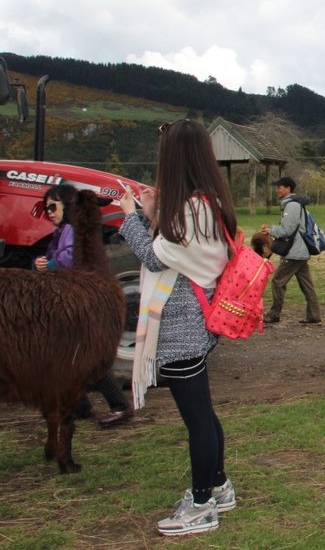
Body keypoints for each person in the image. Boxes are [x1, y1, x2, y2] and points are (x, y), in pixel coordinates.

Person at [118, 119, 237, 536]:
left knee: (198, 419)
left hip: (184, 324)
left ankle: (202, 505)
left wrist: (130, 216)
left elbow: (154, 257)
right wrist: (152, 213)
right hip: (195, 323)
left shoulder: (192, 209)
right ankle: (218, 486)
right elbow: (170, 251)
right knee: (202, 412)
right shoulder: (204, 203)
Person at [35, 183, 134, 428]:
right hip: (72, 300)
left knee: (86, 359)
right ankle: (80, 405)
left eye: (52, 206)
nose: (48, 212)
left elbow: (70, 257)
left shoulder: (71, 230)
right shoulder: (64, 231)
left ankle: (120, 406)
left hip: (79, 302)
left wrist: (50, 265)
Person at [261, 177, 321, 324]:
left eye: (279, 187)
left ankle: (274, 314)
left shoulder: (291, 205)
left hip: (294, 252)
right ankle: (314, 315)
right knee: (307, 285)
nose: (277, 190)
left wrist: (270, 230)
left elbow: (286, 230)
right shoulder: (294, 204)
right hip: (301, 252)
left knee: (277, 282)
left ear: (288, 189)